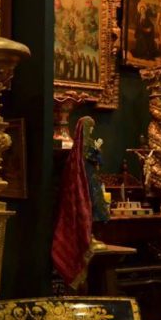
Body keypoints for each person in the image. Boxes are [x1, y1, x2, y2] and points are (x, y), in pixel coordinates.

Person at [51, 117, 106, 290]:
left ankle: (91, 235)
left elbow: (98, 162)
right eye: (90, 128)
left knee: (94, 206)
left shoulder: (82, 148)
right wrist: (97, 149)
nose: (91, 131)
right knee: (88, 206)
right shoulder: (84, 147)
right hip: (87, 181)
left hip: (91, 180)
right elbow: (95, 158)